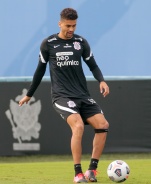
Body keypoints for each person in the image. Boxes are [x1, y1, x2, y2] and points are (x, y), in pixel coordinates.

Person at [19, 8, 109, 183]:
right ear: (60, 23)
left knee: (103, 125)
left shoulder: (81, 42)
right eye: (68, 25)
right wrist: (29, 94)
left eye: (74, 25)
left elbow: (93, 65)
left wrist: (102, 81)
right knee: (78, 126)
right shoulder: (48, 43)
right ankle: (78, 174)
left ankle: (92, 170)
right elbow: (39, 70)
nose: (71, 29)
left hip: (82, 95)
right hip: (62, 96)